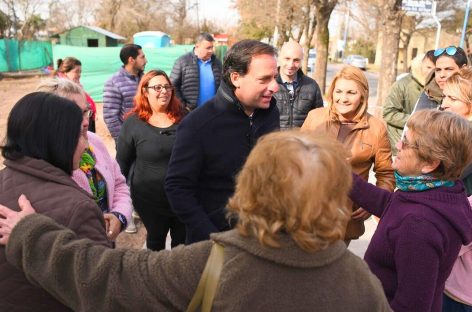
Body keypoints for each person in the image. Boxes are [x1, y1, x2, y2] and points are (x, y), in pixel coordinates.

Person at [0, 131, 391, 312]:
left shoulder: (215, 264)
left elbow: (106, 277)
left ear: (251, 185)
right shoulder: (359, 282)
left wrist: (31, 233)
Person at [349, 110, 472, 312]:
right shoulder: (438, 190)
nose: (397, 145)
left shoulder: (419, 226)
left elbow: (411, 306)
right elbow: (391, 205)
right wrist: (342, 175)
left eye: (405, 142)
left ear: (430, 164)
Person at [0, 92, 111, 311]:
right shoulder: (78, 208)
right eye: (80, 136)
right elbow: (103, 290)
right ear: (59, 140)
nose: (86, 146)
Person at [165, 39, 280, 244]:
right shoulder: (197, 125)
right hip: (213, 245)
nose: (275, 87)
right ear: (236, 78)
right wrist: (213, 238)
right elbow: (177, 188)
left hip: (261, 238)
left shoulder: (271, 113)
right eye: (264, 79)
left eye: (275, 78)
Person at [302, 65, 395, 243]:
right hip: (308, 210)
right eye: (339, 91)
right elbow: (294, 159)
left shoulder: (376, 128)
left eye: (351, 93)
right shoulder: (315, 117)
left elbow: (386, 173)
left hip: (345, 218)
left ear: (362, 96)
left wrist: (373, 201)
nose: (343, 99)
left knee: (332, 269)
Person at [37, 78, 132, 241]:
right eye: (75, 113)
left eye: (86, 111)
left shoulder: (94, 141)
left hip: (103, 245)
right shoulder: (41, 158)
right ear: (51, 115)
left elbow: (119, 183)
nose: (86, 121)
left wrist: (119, 215)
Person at [116, 70, 186, 251]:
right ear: (145, 91)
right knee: (155, 241)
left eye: (167, 86)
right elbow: (122, 163)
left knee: (183, 243)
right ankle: (154, 277)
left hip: (182, 195)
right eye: (157, 87)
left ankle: (178, 278)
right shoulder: (133, 122)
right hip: (149, 199)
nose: (164, 91)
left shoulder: (184, 116)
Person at [439, 68, 472, 311]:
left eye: (452, 98)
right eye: (444, 96)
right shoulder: (454, 134)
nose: (443, 103)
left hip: (462, 276)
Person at [382, 50, 435, 154]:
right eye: (428, 67)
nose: (431, 71)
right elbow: (388, 113)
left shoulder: (439, 87)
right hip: (400, 145)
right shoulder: (402, 85)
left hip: (424, 147)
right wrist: (417, 121)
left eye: (435, 68)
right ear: (420, 66)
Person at [273, 41, 324, 129]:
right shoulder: (268, 84)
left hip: (302, 141)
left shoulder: (312, 86)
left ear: (301, 60)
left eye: (296, 60)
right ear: (280, 58)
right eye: (287, 58)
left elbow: (319, 118)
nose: (291, 64)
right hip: (273, 141)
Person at [103, 44, 147, 142]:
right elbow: (110, 116)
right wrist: (123, 141)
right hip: (128, 141)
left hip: (147, 139)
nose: (146, 61)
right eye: (142, 57)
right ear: (131, 60)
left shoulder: (146, 79)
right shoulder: (114, 82)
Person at [170, 32, 222, 110]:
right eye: (208, 48)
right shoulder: (182, 61)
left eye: (212, 47)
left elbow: (222, 85)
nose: (211, 51)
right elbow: (172, 85)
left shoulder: (217, 63)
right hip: (190, 112)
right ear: (197, 46)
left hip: (213, 111)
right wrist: (183, 106)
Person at [413, 46, 468, 112]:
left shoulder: (468, 95)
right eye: (438, 70)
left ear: (463, 69)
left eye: (449, 69)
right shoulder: (428, 93)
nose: (442, 75)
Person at [55, 56, 97, 133]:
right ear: (65, 72)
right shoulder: (63, 90)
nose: (79, 74)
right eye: (76, 71)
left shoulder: (75, 86)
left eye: (80, 71)